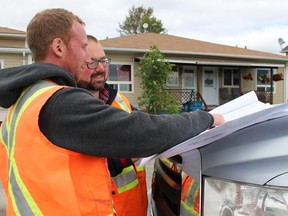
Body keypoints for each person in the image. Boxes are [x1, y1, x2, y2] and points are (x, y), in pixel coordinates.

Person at [0, 8, 224, 215]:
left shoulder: (26, 100)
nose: (88, 58)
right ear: (59, 47)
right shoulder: (60, 103)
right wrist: (204, 118)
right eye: (83, 47)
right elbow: (144, 133)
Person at [77, 35, 147, 216]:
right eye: (92, 62)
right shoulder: (67, 107)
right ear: (75, 63)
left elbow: (146, 130)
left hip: (135, 209)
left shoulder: (120, 100)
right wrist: (121, 159)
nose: (100, 68)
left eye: (103, 61)